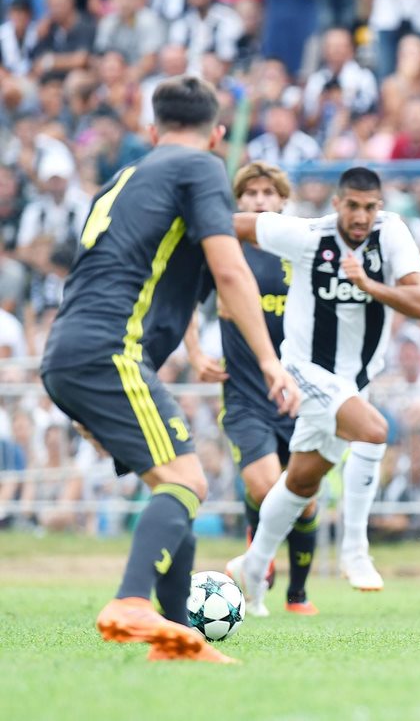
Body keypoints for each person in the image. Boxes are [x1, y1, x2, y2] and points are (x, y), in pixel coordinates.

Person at [39, 75, 301, 664]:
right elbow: (230, 274)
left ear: (152, 130)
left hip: (72, 348)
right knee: (189, 481)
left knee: (172, 483)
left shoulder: (126, 176)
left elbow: (160, 280)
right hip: (108, 351)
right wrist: (268, 362)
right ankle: (132, 602)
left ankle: (176, 636)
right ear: (216, 134)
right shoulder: (200, 168)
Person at [227, 167, 420, 614]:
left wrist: (368, 285)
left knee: (301, 481)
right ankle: (355, 551)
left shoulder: (392, 234)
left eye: (370, 207)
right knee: (375, 431)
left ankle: (251, 566)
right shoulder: (308, 236)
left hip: (353, 382)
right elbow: (233, 224)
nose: (361, 216)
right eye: (353, 206)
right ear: (337, 204)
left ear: (379, 206)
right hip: (304, 370)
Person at [184, 162, 319, 616]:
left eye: (268, 193)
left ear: (283, 200)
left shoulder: (302, 250)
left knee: (304, 499)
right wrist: (194, 352)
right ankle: (258, 546)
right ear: (238, 201)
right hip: (244, 396)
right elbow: (184, 297)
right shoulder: (226, 251)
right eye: (250, 193)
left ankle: (298, 594)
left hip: (301, 394)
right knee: (265, 487)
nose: (260, 200)